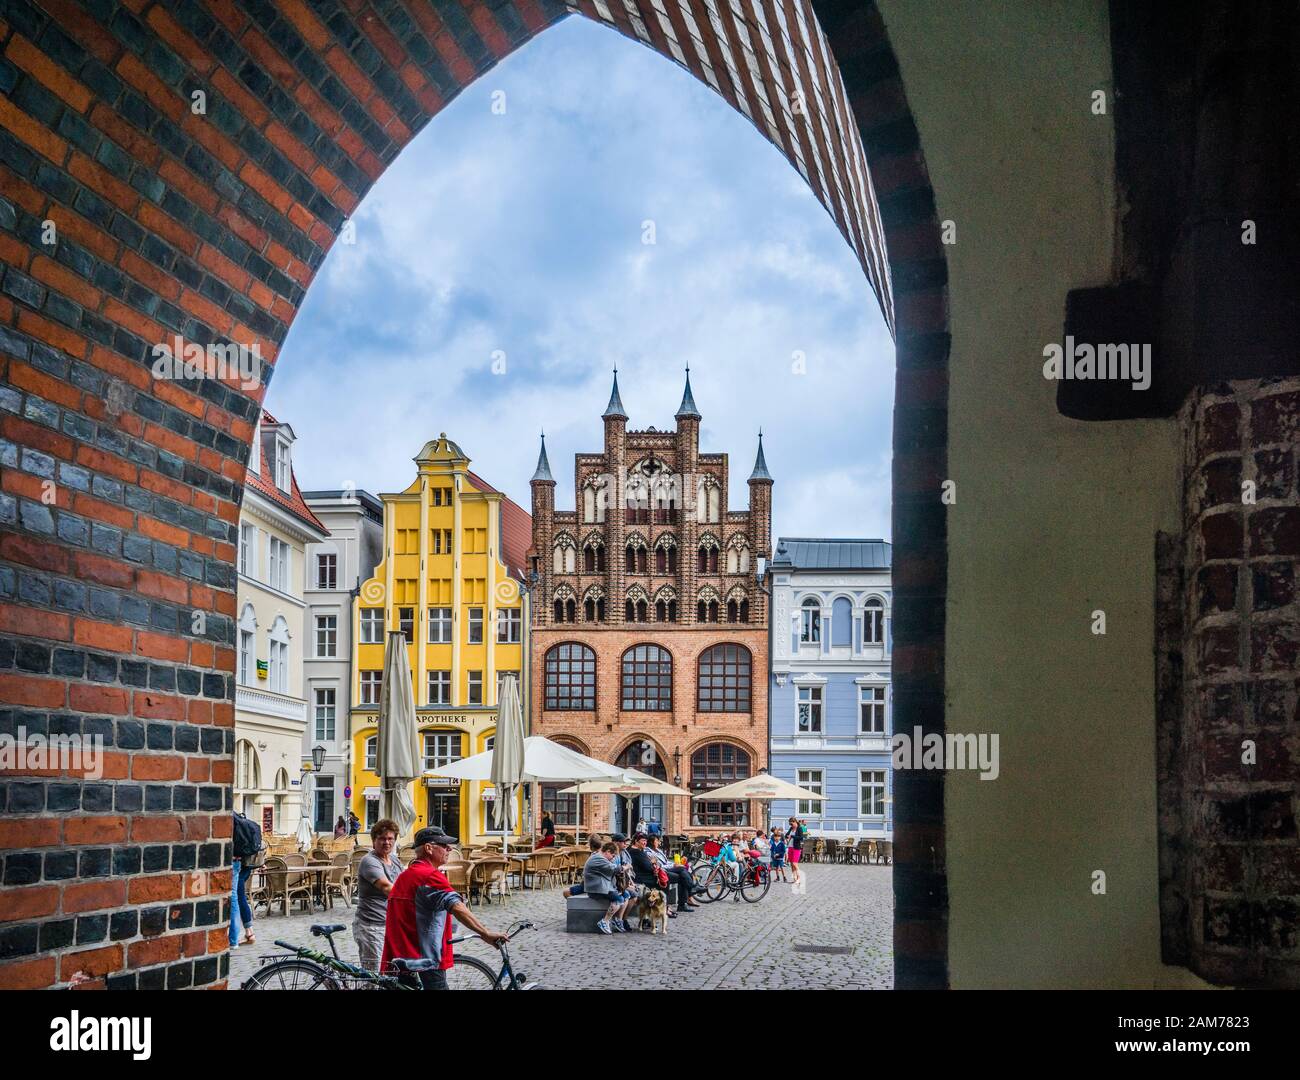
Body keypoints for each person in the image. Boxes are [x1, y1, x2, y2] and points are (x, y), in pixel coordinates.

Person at [381, 825, 508, 988]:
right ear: (428, 848)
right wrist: (485, 933)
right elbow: (457, 907)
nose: (449, 848)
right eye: (443, 845)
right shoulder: (430, 876)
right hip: (426, 957)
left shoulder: (405, 876)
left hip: (400, 956)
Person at [353, 818, 402, 973]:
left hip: (390, 924)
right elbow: (386, 887)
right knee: (374, 975)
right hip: (372, 926)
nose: (386, 842)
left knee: (390, 972)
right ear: (374, 840)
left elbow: (403, 883)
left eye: (390, 839)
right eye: (382, 838)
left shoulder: (394, 860)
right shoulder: (370, 861)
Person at [584, 840, 634, 935]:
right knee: (618, 899)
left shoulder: (602, 858)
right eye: (613, 856)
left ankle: (618, 920)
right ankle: (604, 921)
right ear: (607, 851)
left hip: (604, 885)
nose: (613, 858)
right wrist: (626, 867)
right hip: (596, 888)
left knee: (626, 895)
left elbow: (614, 868)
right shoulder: (598, 858)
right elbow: (615, 868)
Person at [229, 811, 262, 948]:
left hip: (240, 863)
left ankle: (246, 934)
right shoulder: (239, 818)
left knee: (237, 897)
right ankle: (249, 932)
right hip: (246, 863)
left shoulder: (231, 819)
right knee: (238, 896)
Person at [646, 832, 699, 913]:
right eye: (657, 841)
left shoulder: (658, 851)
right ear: (651, 842)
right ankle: (691, 890)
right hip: (661, 872)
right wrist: (674, 866)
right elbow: (660, 866)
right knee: (682, 870)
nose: (659, 842)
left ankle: (683, 904)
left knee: (683, 874)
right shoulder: (648, 853)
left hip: (667, 870)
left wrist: (675, 864)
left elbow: (666, 862)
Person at [562, 834, 605, 898]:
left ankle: (576, 907)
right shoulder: (603, 854)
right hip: (598, 883)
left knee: (565, 892)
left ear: (590, 845)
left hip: (591, 884)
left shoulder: (594, 856)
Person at [786, 817, 804, 883]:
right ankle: (794, 878)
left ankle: (799, 878)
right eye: (790, 824)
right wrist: (787, 836)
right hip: (790, 847)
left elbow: (801, 837)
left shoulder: (799, 828)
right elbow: (786, 835)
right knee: (791, 864)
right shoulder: (791, 828)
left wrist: (792, 836)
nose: (791, 825)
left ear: (795, 822)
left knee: (794, 863)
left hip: (796, 847)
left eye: (791, 824)